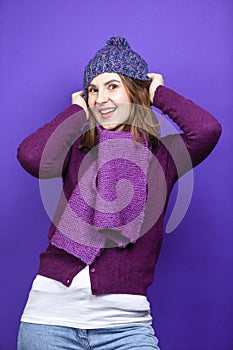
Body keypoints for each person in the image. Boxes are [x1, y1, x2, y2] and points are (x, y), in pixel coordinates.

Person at [17, 36, 222, 350]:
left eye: (112, 86)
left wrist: (157, 93)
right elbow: (31, 156)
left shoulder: (165, 157)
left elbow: (206, 129)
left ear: (134, 91)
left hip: (125, 327)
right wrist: (76, 111)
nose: (100, 99)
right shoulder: (76, 150)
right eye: (93, 90)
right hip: (49, 320)